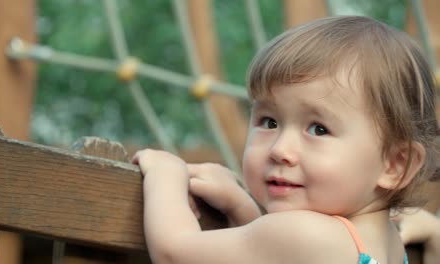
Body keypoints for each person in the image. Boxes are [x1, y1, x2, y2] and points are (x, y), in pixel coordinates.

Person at [132, 16, 439, 264]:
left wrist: (165, 172)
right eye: (269, 122)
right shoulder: (388, 245)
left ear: (395, 165)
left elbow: (174, 252)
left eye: (318, 129)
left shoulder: (311, 236)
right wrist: (240, 205)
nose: (280, 150)